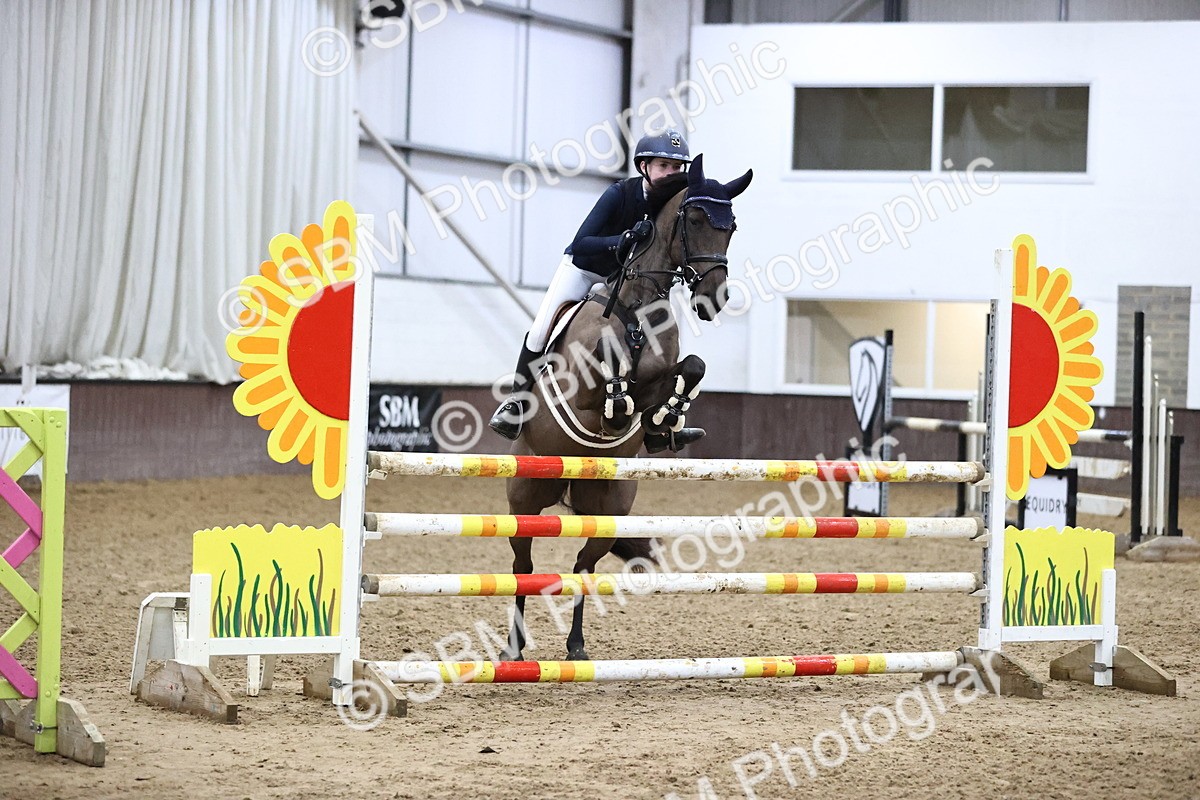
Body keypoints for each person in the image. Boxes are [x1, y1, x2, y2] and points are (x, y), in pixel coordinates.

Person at [488, 130, 692, 440]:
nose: (672, 173)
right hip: (584, 270)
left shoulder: (672, 206)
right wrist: (621, 240)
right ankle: (517, 403)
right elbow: (581, 243)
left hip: (623, 280)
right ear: (643, 167)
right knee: (543, 327)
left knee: (657, 335)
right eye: (664, 165)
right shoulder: (619, 194)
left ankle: (656, 426)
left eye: (677, 168)